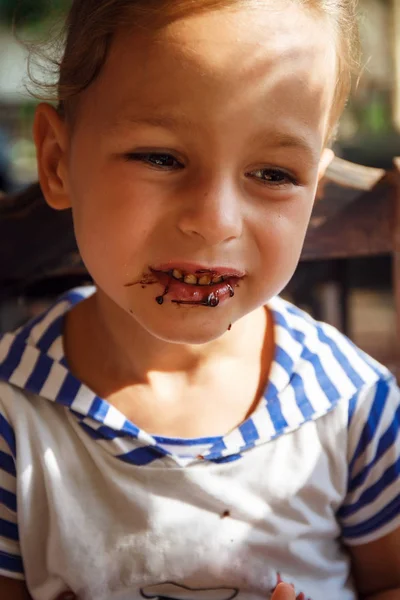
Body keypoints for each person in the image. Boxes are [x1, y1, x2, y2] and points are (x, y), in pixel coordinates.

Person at [0, 0, 399, 598]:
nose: (215, 222)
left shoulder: (352, 406)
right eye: (161, 157)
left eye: (273, 174)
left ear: (315, 193)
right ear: (58, 162)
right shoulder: (14, 412)